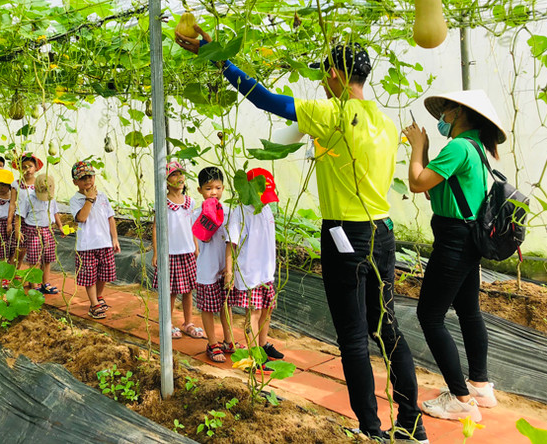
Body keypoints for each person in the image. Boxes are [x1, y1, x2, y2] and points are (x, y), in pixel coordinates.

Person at [175, 30, 427, 442]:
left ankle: (370, 429)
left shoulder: (332, 112)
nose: (323, 81)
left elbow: (264, 99)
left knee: (352, 336)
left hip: (344, 232)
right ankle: (412, 426)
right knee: (388, 329)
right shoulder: (386, 119)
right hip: (382, 233)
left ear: (334, 73)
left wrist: (217, 57)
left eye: (325, 73)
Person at [403, 90, 503, 423]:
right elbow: (435, 186)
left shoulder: (458, 147)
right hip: (468, 238)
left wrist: (417, 148)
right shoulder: (475, 147)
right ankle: (479, 385)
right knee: (467, 310)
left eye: (446, 111)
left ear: (459, 112)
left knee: (429, 316)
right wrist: (427, 151)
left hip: (454, 242)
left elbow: (418, 184)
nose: (441, 117)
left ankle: (460, 400)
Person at [225, 168, 283, 368]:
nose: (267, 200)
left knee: (267, 309)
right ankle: (253, 354)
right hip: (250, 272)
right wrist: (229, 271)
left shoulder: (265, 208)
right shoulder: (240, 212)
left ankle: (263, 344)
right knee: (254, 313)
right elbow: (231, 243)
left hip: (266, 271)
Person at [193, 167, 241, 362]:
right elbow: (202, 239)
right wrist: (210, 213)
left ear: (224, 188)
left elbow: (233, 241)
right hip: (206, 269)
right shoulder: (196, 213)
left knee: (226, 305)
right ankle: (212, 343)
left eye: (218, 187)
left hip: (224, 269)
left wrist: (231, 268)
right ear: (199, 190)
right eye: (208, 188)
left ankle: (229, 341)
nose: (213, 192)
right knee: (208, 308)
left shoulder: (230, 213)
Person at [151, 161, 202, 339]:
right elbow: (156, 228)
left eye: (181, 174)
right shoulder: (162, 202)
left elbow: (193, 226)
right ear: (166, 180)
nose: (179, 178)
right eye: (173, 174)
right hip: (170, 254)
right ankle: (167, 324)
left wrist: (196, 248)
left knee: (188, 291)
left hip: (187, 252)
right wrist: (157, 253)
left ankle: (188, 323)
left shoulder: (190, 202)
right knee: (171, 292)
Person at [69, 161, 120, 319]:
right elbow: (82, 218)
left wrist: (115, 239)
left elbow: (110, 218)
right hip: (86, 246)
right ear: (75, 182)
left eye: (90, 176)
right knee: (89, 276)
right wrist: (89, 199)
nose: (87, 180)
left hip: (104, 243)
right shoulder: (75, 200)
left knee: (104, 274)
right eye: (83, 178)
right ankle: (94, 304)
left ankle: (98, 296)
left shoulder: (103, 197)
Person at [17, 172, 65, 294]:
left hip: (48, 230)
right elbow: (19, 215)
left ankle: (45, 283)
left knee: (47, 259)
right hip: (33, 230)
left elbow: (55, 213)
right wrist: (18, 230)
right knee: (34, 260)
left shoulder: (51, 199)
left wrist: (60, 226)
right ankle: (34, 284)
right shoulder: (29, 198)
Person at [13, 154, 43, 268]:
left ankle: (33, 277)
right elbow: (12, 204)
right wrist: (13, 225)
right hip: (20, 220)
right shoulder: (16, 184)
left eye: (30, 166)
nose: (27, 169)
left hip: (36, 222)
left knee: (35, 251)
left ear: (35, 167)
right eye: (24, 167)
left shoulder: (40, 183)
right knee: (19, 249)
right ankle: (14, 273)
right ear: (20, 169)